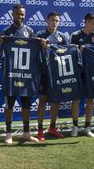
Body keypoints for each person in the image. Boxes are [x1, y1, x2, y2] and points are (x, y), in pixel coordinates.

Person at [0, 4, 45, 144]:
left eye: (23, 14)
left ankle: (26, 132)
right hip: (11, 74)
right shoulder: (6, 31)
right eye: (18, 14)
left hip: (26, 75)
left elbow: (37, 52)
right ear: (12, 14)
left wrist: (42, 45)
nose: (20, 16)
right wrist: (2, 44)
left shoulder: (30, 31)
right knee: (9, 105)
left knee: (26, 105)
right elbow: (1, 53)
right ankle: (8, 133)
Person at [36, 11, 69, 141]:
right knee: (43, 101)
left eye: (57, 21)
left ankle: (52, 127)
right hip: (44, 73)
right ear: (47, 21)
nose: (54, 23)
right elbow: (35, 54)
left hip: (58, 74)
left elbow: (67, 55)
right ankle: (39, 130)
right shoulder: (39, 35)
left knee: (56, 101)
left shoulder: (63, 37)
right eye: (52, 20)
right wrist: (43, 48)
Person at [70, 13, 94, 137]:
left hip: (92, 73)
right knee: (76, 99)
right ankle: (75, 126)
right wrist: (80, 51)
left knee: (90, 99)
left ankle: (87, 127)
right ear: (87, 22)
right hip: (78, 72)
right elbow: (70, 54)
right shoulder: (76, 35)